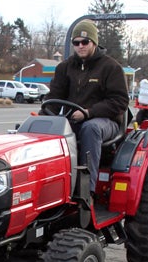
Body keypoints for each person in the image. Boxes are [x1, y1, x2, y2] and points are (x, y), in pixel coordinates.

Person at [43, 19, 129, 196]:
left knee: (91, 128)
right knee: (47, 128)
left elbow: (119, 101)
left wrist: (89, 113)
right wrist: (43, 117)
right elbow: (54, 97)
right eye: (76, 42)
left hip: (106, 121)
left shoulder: (111, 68)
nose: (80, 46)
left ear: (94, 42)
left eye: (85, 42)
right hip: (73, 118)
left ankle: (86, 191)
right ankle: (50, 184)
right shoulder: (65, 68)